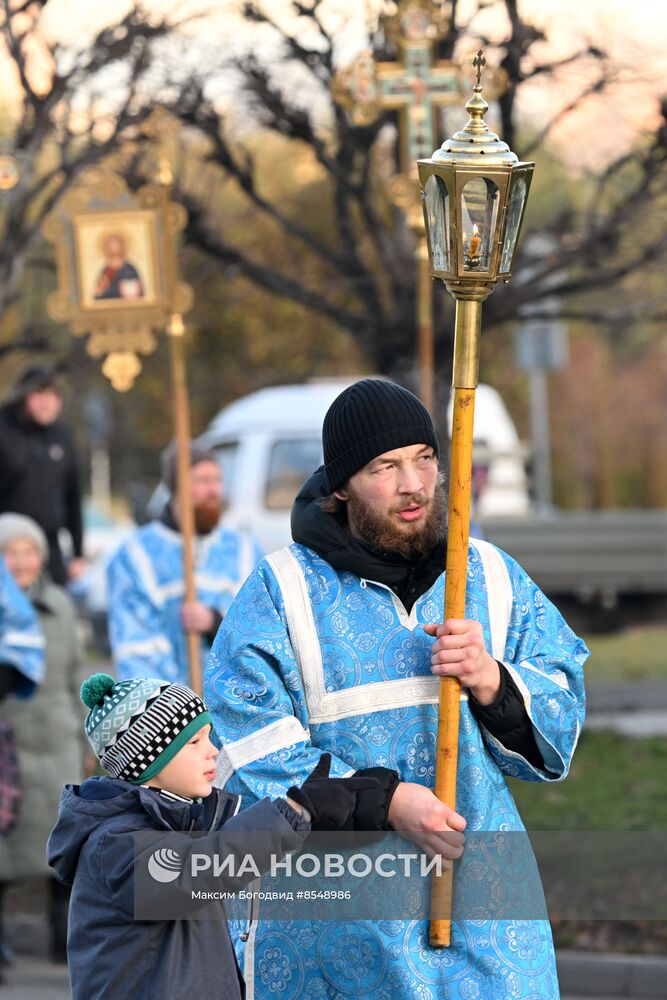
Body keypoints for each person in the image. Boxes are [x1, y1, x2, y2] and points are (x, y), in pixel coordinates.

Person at [206, 377, 589, 1000]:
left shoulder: (490, 575)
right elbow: (247, 746)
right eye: (385, 467)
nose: (413, 484)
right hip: (340, 926)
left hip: (485, 914)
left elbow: (563, 701)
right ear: (341, 486)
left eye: (424, 458)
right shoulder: (281, 592)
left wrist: (493, 680)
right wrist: (384, 801)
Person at [47, 672, 378, 1000]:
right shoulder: (114, 843)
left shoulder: (178, 824)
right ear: (148, 760)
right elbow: (199, 870)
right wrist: (294, 811)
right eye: (194, 742)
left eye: (209, 737)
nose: (213, 751)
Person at [0, 514, 87, 964]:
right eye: (10, 552)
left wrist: (88, 735)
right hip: (7, 746)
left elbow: (77, 672)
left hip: (56, 742)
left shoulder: (61, 604)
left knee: (64, 842)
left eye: (29, 551)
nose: (21, 561)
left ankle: (63, 939)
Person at [107, 444, 263, 685]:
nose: (214, 491)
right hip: (172, 704)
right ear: (175, 489)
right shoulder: (136, 556)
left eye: (217, 480)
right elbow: (136, 648)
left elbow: (262, 626)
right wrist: (175, 703)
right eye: (202, 481)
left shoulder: (244, 550)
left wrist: (215, 622)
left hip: (235, 700)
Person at [0, 363, 84, 585]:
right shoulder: (4, 430)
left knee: (55, 600)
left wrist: (78, 552)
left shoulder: (62, 436)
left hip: (50, 547)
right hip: (8, 546)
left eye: (53, 396)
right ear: (23, 397)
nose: (46, 403)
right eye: (39, 395)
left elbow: (73, 496)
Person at [93, 232, 143, 300]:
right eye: (111, 245)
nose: (114, 247)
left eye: (116, 244)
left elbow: (134, 294)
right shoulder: (106, 269)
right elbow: (98, 293)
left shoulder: (129, 269)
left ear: (122, 246)